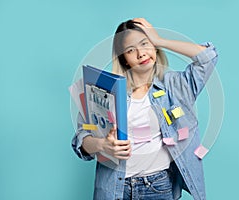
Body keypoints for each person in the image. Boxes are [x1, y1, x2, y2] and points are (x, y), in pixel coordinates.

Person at [72, 18, 218, 200]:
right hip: (114, 189)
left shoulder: (176, 86)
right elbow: (81, 139)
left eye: (145, 44)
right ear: (123, 58)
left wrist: (160, 40)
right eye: (130, 50)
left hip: (158, 186)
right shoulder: (104, 90)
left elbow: (208, 58)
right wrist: (103, 146)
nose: (141, 53)